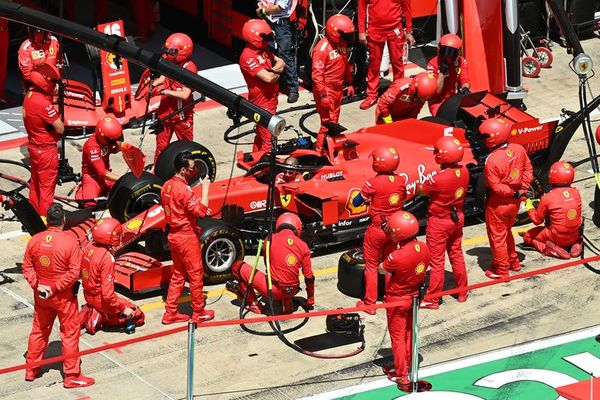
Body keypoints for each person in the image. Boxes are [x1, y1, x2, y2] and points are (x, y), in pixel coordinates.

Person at [22, 203, 94, 388]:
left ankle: (31, 369)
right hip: (63, 297)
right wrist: (54, 288)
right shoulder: (70, 242)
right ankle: (71, 376)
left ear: (47, 220)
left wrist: (37, 285)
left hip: (41, 295)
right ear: (64, 220)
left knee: (39, 330)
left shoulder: (35, 240)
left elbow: (27, 267)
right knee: (70, 333)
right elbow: (74, 273)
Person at [160, 151, 215, 324]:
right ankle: (198, 312)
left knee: (178, 274)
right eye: (192, 168)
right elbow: (201, 211)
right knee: (196, 274)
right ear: (183, 170)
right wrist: (206, 189)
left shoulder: (166, 186)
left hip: (173, 236)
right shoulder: (182, 189)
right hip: (186, 238)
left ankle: (170, 312)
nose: (194, 170)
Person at [353, 146, 406, 314]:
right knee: (389, 264)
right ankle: (389, 296)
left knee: (372, 266)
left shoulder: (373, 183)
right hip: (394, 230)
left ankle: (370, 304)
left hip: (377, 230)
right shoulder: (401, 180)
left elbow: (356, 202)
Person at [418, 136, 469, 309]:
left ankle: (433, 299)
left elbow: (421, 190)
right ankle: (462, 291)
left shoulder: (438, 179)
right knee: (456, 254)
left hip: (439, 222)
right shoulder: (464, 171)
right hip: (457, 218)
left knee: (437, 261)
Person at [380, 211, 429, 385]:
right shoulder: (423, 247)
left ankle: (402, 374)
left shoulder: (397, 256)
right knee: (409, 334)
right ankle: (406, 365)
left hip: (397, 299)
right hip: (414, 296)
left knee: (398, 338)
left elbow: (381, 269)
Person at [231, 212, 314, 314]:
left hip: (273, 290)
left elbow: (268, 265)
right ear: (298, 228)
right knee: (286, 277)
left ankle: (254, 305)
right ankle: (286, 300)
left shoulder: (269, 239)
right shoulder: (303, 245)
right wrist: (310, 299)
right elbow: (309, 277)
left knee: (237, 266)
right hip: (293, 290)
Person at [481, 117, 533, 279]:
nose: (483, 139)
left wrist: (513, 193)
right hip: (516, 202)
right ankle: (514, 262)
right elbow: (528, 170)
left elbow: (495, 187)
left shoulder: (491, 161)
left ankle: (502, 270)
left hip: (498, 204)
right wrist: (522, 190)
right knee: (506, 232)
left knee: (497, 237)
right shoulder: (518, 149)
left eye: (485, 136)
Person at [80, 218, 145, 335]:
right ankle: (101, 318)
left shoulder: (88, 247)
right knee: (138, 315)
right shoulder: (106, 258)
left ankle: (92, 311)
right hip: (102, 301)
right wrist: (124, 309)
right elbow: (107, 295)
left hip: (89, 295)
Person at [22, 63, 64, 218]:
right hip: (46, 150)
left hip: (33, 147)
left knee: (35, 185)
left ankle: (32, 217)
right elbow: (60, 128)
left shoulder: (28, 97)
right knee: (46, 188)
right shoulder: (43, 103)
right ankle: (45, 220)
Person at [358, 0, 414, 110]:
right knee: (374, 64)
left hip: (395, 29)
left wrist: (409, 31)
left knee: (397, 63)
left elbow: (407, 9)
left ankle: (398, 91)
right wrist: (361, 31)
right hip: (375, 30)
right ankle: (372, 95)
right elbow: (362, 8)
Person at [239, 19, 285, 152]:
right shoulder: (247, 56)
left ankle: (256, 160)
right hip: (261, 102)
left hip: (271, 99)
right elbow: (269, 78)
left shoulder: (263, 49)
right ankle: (265, 170)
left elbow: (281, 62)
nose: (267, 39)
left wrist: (273, 71)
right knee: (267, 138)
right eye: (264, 36)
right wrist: (276, 73)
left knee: (261, 134)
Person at [312, 14, 355, 152]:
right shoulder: (321, 49)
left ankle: (331, 149)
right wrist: (323, 95)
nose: (346, 38)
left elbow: (345, 64)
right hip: (326, 89)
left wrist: (349, 83)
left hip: (338, 88)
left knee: (334, 121)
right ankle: (320, 152)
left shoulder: (342, 43)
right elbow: (317, 75)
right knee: (327, 124)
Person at [152, 33, 196, 165]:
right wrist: (153, 84)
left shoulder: (189, 68)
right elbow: (164, 77)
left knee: (186, 149)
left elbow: (185, 94)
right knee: (161, 148)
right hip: (165, 112)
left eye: (173, 52)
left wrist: (163, 91)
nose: (169, 54)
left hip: (181, 116)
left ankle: (190, 173)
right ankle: (157, 172)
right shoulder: (170, 60)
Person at [523, 161, 583, 259]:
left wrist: (530, 207)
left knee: (528, 236)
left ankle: (548, 249)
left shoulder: (548, 198)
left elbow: (537, 221)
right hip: (574, 236)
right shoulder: (576, 193)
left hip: (556, 237)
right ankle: (576, 244)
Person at [256, 0, 300, 103]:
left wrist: (262, 11)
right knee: (266, 52)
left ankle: (293, 89)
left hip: (281, 23)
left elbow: (279, 8)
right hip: (267, 19)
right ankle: (271, 85)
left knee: (285, 54)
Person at [75, 116, 123, 208]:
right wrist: (123, 178)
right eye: (113, 140)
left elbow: (116, 147)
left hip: (106, 176)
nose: (114, 142)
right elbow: (102, 173)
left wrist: (120, 145)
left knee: (124, 190)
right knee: (89, 204)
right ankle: (81, 191)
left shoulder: (107, 139)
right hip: (92, 177)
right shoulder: (91, 146)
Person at [426, 33, 470, 117]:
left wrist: (465, 89)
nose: (448, 57)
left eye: (452, 53)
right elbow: (437, 91)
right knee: (442, 121)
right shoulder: (432, 64)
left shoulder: (462, 61)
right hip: (438, 102)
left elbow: (465, 80)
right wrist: (442, 72)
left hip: (455, 99)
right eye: (445, 51)